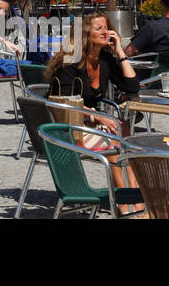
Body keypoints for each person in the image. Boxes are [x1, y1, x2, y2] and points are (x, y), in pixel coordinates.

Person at [45, 11, 142, 213]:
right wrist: (97, 116)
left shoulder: (105, 59)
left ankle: (136, 204)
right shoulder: (70, 61)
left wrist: (120, 53)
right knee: (115, 144)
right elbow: (63, 102)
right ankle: (125, 207)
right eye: (99, 28)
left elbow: (132, 87)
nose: (106, 31)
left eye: (106, 27)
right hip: (64, 129)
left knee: (128, 144)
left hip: (87, 125)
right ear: (86, 34)